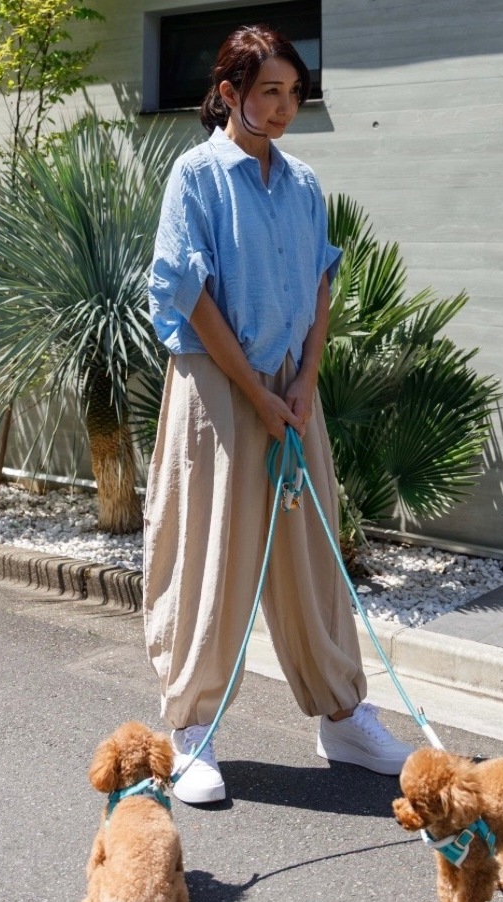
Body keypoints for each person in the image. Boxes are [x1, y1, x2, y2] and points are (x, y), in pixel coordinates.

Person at [144, 24, 413, 805]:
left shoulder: (303, 183)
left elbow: (321, 285)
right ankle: (192, 729)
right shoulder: (196, 175)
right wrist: (255, 393)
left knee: (312, 554)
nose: (285, 106)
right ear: (229, 92)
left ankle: (342, 715)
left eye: (295, 92)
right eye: (270, 91)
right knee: (211, 555)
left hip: (294, 389)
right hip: (216, 386)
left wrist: (302, 385)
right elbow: (188, 293)